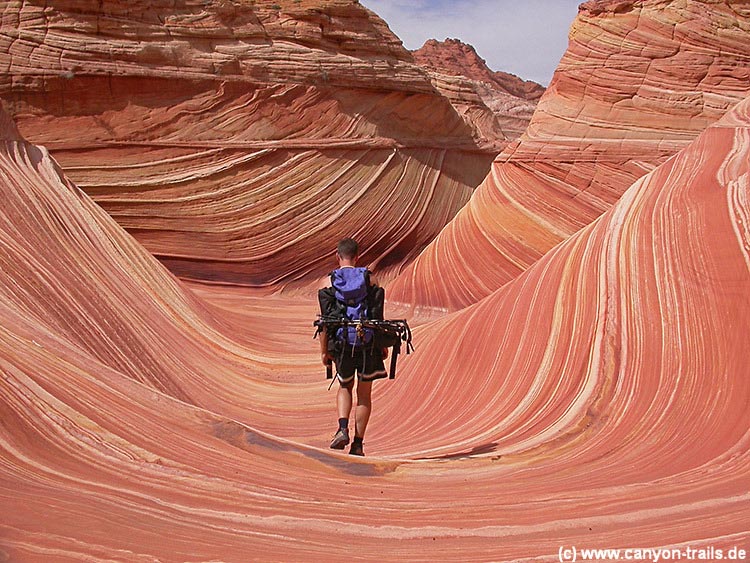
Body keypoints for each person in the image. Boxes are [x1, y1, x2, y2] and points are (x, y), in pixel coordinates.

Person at [319, 238, 388, 456]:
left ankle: (341, 429)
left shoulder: (327, 282)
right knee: (365, 395)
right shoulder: (369, 278)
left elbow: (325, 323)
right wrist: (382, 344)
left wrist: (324, 351)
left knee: (345, 387)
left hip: (342, 343)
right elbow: (378, 314)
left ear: (337, 256)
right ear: (357, 256)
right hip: (367, 343)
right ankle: (358, 444)